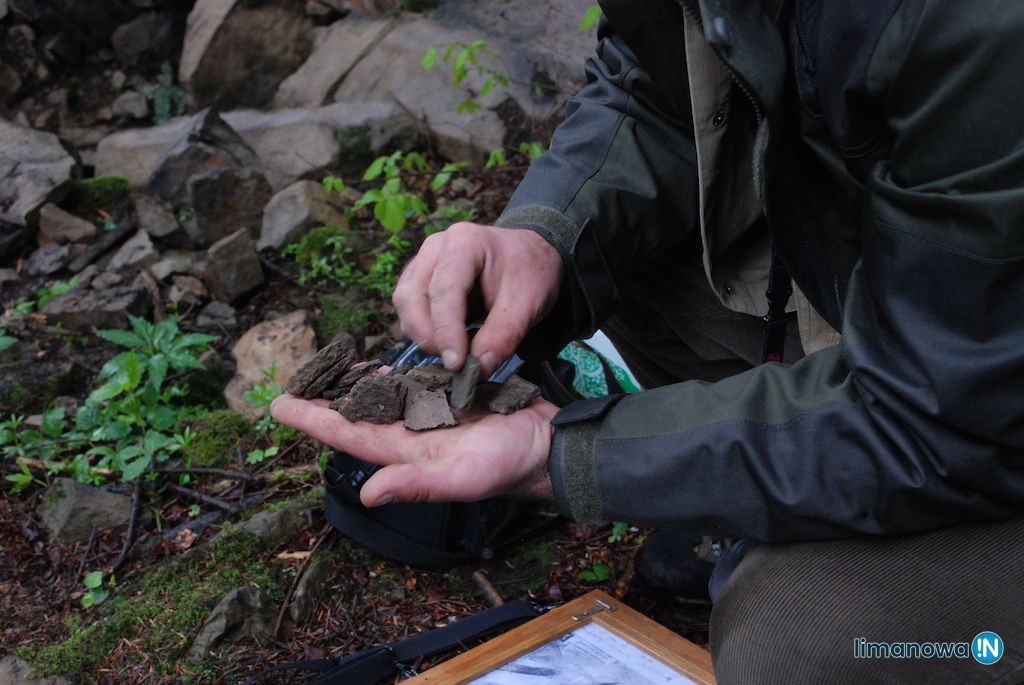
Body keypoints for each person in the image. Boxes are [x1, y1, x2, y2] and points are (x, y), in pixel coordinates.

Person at [272, 1, 1024, 681]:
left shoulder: (974, 27)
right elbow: (661, 89)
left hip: (970, 407)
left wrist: (564, 456)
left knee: (797, 640)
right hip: (940, 321)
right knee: (608, 269)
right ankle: (769, 505)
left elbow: (936, 416)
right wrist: (546, 235)